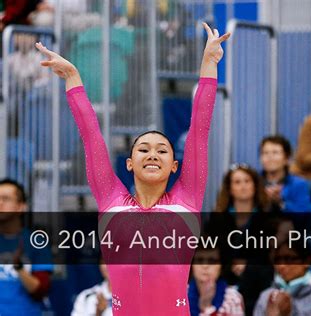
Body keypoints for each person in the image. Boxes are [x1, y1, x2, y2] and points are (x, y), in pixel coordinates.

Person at [36, 22, 230, 315]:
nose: (153, 154)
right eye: (143, 149)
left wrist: (208, 66)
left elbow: (199, 130)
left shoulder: (187, 198)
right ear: (129, 163)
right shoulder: (110, 199)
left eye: (162, 150)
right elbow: (91, 137)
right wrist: (73, 79)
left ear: (175, 165)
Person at [210, 164, 273, 316]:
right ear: (230, 188)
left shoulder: (269, 219)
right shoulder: (216, 220)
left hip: (259, 286)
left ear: (255, 185)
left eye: (247, 181)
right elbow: (210, 253)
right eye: (237, 182)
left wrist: (249, 266)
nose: (243, 186)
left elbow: (272, 257)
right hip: (222, 284)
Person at [0, 178, 53, 315]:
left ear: (21, 207)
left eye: (6, 199)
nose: (0, 203)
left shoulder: (36, 242)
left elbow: (41, 291)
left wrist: (19, 268)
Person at [253, 239, 311, 316]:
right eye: (278, 259)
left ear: (307, 261)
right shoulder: (266, 296)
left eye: (289, 259)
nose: (281, 266)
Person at [260, 135, 311, 213]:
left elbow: (305, 215)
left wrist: (281, 203)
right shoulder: (253, 182)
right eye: (265, 153)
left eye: (275, 152)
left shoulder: (299, 184)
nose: (270, 157)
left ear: (287, 159)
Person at [188, 245, 245, 316]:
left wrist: (207, 307)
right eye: (199, 260)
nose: (205, 266)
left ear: (220, 266)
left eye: (211, 261)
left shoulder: (233, 298)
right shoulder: (180, 294)